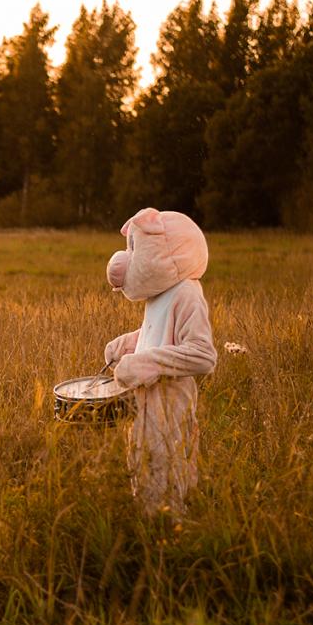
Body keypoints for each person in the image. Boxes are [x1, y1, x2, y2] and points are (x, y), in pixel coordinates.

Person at [104, 208, 216, 522]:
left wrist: (146, 362)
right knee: (143, 464)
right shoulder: (160, 294)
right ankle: (148, 527)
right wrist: (129, 343)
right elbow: (161, 332)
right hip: (146, 403)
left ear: (166, 251)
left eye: (135, 250)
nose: (126, 259)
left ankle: (171, 535)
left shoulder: (187, 294)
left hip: (171, 406)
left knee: (168, 471)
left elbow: (202, 354)